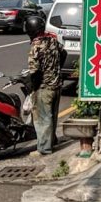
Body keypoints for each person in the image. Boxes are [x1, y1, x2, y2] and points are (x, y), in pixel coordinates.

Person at [24, 16, 64, 155]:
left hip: (44, 87)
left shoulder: (36, 47)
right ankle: (52, 141)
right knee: (52, 116)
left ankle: (44, 149)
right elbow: (63, 53)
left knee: (42, 120)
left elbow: (35, 73)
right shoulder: (52, 40)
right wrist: (55, 70)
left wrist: (33, 88)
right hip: (57, 84)